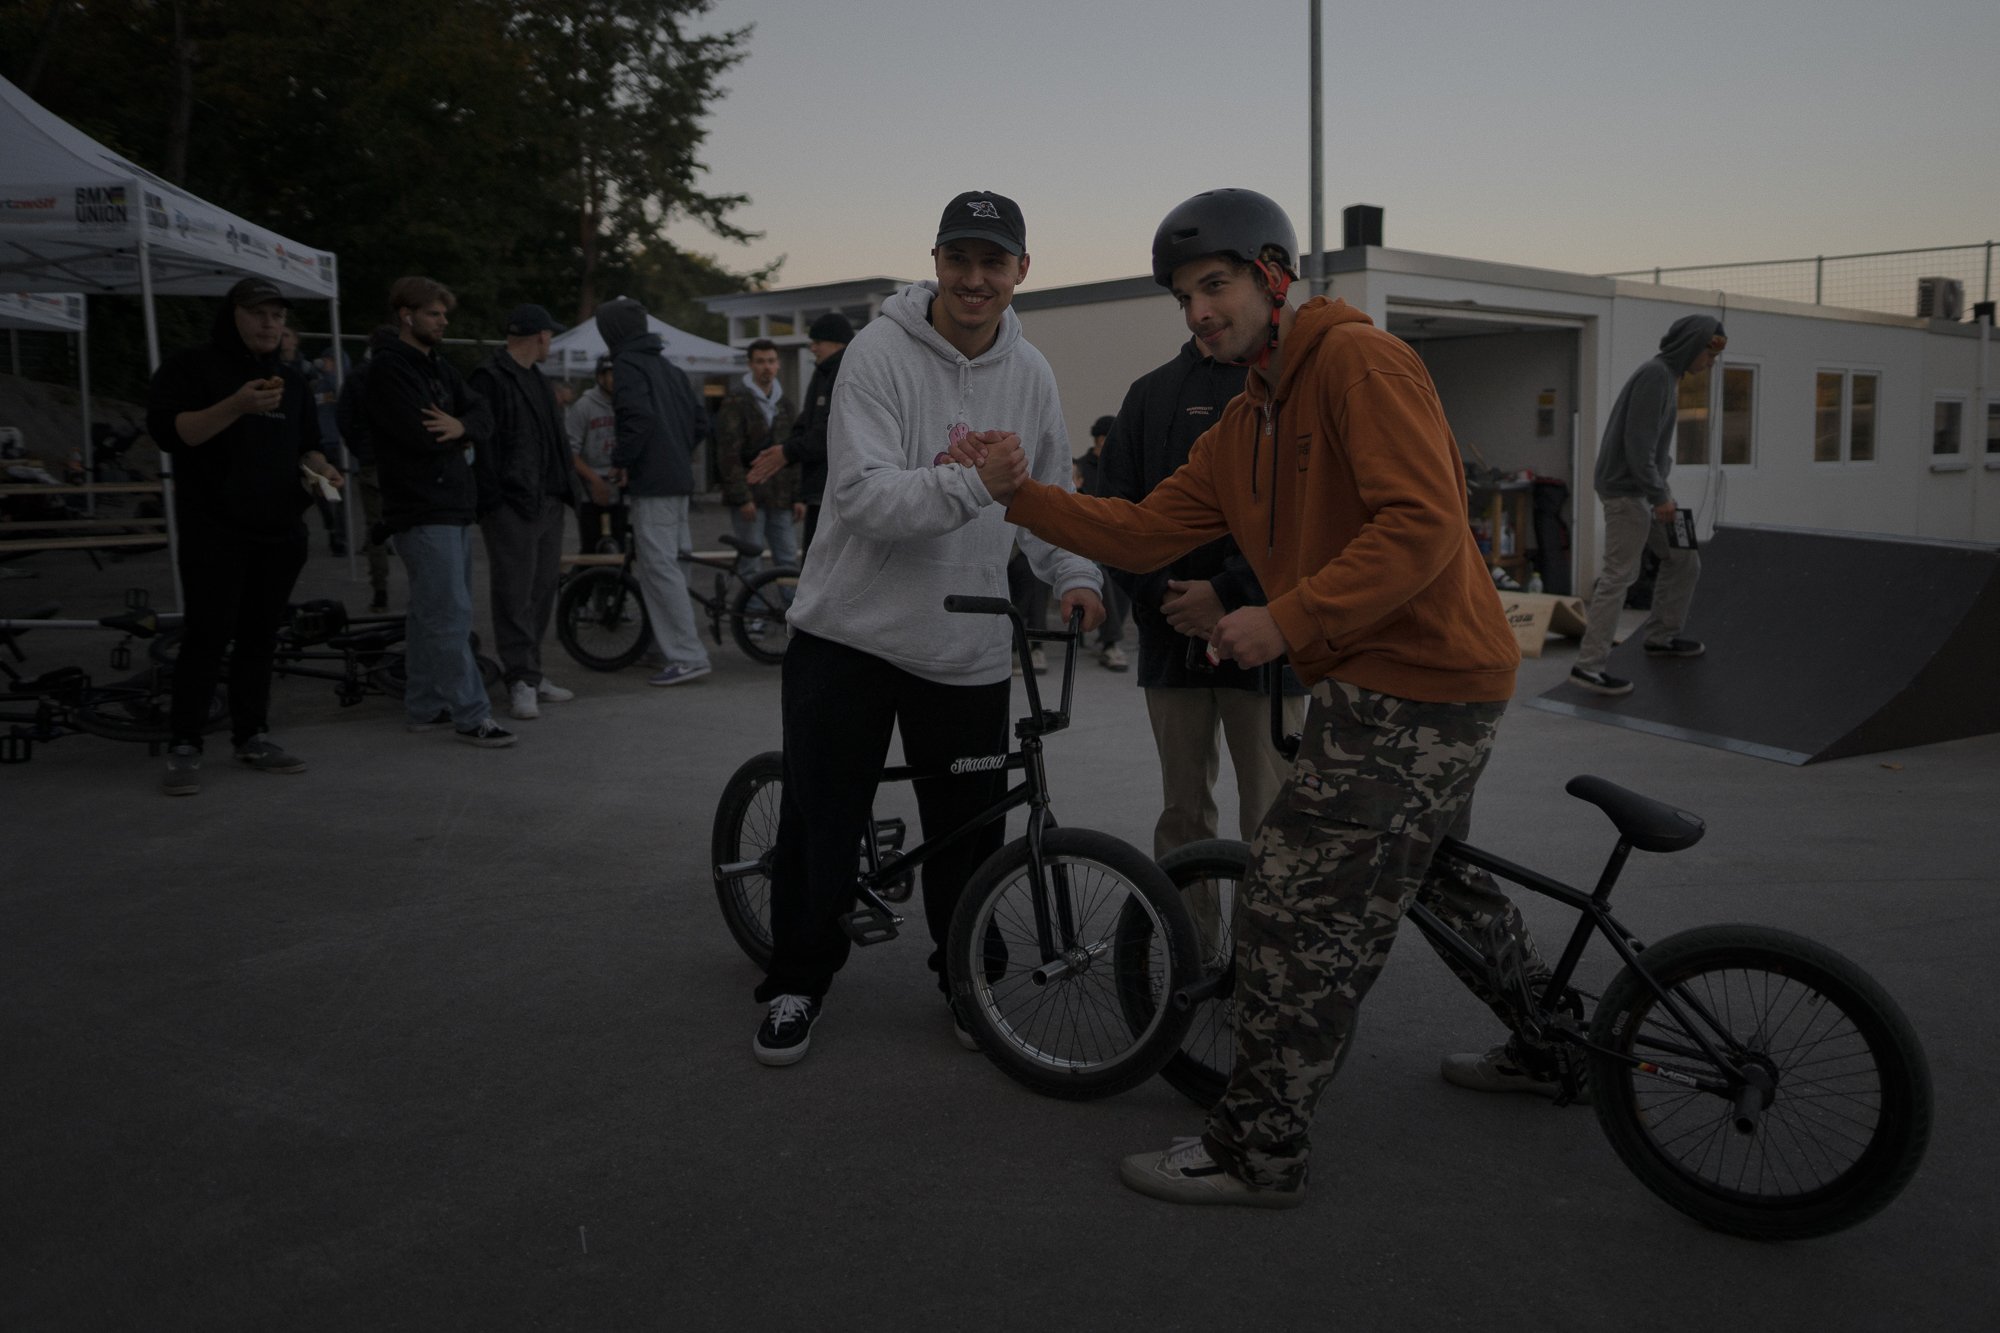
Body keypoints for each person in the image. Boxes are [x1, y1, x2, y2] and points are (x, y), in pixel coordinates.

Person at [972, 188, 1546, 1209]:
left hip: (1419, 679)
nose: (1199, 311)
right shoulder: (1246, 420)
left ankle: (1257, 1151)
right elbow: (1143, 529)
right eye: (1184, 296)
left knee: (1287, 907)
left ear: (1274, 276)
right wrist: (1015, 497)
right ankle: (1557, 1044)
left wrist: (1286, 617)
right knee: (1439, 880)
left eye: (1216, 285)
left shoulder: (1359, 364)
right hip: (1388, 679)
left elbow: (1421, 524)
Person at [751, 190, 1105, 1068]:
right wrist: (973, 484)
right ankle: (796, 980)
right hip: (850, 633)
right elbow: (862, 498)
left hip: (966, 643)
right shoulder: (877, 353)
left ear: (1022, 270)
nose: (975, 278)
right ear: (937, 262)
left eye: (994, 262)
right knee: (822, 819)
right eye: (960, 259)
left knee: (970, 834)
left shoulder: (1032, 372)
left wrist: (1076, 574)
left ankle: (966, 978)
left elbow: (1047, 496)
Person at [1098, 342, 1302, 856]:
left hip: (1267, 637)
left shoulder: (1284, 388)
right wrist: (1162, 592)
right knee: (1182, 816)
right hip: (1170, 636)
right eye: (1191, 301)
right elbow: (1111, 512)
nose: (1205, 311)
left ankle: (1269, 916)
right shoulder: (1149, 394)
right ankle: (1185, 912)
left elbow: (1303, 511)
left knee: (1275, 816)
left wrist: (1228, 592)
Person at [145, 276, 345, 795]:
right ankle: (185, 743)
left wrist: (322, 470)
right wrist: (235, 405)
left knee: (261, 637)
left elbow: (307, 445)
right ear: (232, 314)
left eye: (278, 315)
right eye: (259, 313)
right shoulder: (192, 367)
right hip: (213, 528)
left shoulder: (292, 381)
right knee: (207, 636)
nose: (269, 323)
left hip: (278, 530)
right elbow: (171, 434)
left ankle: (252, 735)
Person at [365, 275, 514, 747]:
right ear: (406, 315)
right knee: (449, 615)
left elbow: (483, 415)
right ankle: (473, 715)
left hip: (450, 506)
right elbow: (422, 433)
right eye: (434, 313)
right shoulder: (389, 370)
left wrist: (462, 427)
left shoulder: (439, 368)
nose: (443, 321)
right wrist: (458, 432)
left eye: (444, 314)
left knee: (428, 613)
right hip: (421, 508)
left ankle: (425, 706)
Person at [1568, 316, 1725, 696]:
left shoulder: (1668, 378)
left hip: (1649, 488)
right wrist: (1659, 496)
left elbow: (1651, 449)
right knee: (1619, 576)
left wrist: (1660, 491)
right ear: (1691, 346)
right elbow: (1638, 445)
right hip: (1627, 492)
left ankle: (1661, 636)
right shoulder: (1655, 375)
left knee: (1684, 557)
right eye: (1710, 353)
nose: (1711, 362)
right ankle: (1588, 666)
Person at [596, 295, 712, 687]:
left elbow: (638, 416)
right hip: (678, 481)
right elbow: (701, 423)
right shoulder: (670, 368)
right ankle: (667, 646)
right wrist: (676, 451)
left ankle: (686, 655)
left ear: (612, 331)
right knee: (676, 566)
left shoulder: (627, 365)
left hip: (652, 483)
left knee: (660, 569)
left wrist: (622, 461)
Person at [470, 303, 577, 722]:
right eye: (550, 335)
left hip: (547, 500)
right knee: (514, 592)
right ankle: (519, 678)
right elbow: (483, 445)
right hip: (512, 504)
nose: (552, 342)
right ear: (541, 336)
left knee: (541, 590)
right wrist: (494, 501)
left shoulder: (537, 378)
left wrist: (566, 490)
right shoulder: (490, 377)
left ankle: (531, 673)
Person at [746, 312, 851, 560]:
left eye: (818, 342)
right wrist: (784, 450)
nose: (812, 348)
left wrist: (787, 452)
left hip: (832, 490)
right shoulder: (822, 372)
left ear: (837, 342)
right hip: (816, 490)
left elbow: (833, 430)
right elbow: (806, 422)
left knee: (822, 564)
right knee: (811, 563)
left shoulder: (846, 372)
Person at [713, 338, 800, 575]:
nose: (766, 367)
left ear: (778, 364)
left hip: (781, 496)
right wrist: (741, 497)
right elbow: (727, 453)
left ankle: (790, 601)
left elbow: (793, 451)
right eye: (760, 361)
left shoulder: (785, 404)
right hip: (750, 494)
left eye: (771, 361)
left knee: (788, 559)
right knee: (750, 561)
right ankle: (752, 601)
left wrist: (798, 496)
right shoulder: (736, 402)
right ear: (751, 364)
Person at [334, 330, 394, 611]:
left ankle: (380, 590)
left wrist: (360, 448)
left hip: (372, 461)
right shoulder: (404, 373)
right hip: (402, 460)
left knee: (375, 528)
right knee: (416, 528)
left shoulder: (358, 376)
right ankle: (421, 591)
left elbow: (344, 418)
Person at [1073, 414, 1132, 671]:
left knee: (1127, 568)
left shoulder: (1120, 467)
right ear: (1100, 439)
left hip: (1111, 538)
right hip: (1084, 540)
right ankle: (1111, 643)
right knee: (1102, 573)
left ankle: (1108, 638)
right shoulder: (1080, 468)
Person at [280, 327, 345, 556]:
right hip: (288, 437)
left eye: (287, 335)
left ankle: (336, 532)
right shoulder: (272, 367)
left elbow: (331, 394)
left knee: (326, 488)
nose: (282, 339)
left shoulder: (308, 369)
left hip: (319, 438)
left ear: (296, 340)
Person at [566, 356, 625, 552]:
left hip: (618, 485)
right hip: (589, 486)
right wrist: (594, 480)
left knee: (620, 546)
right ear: (600, 377)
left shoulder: (625, 405)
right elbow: (570, 452)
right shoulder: (584, 406)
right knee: (592, 547)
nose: (617, 379)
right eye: (612, 375)